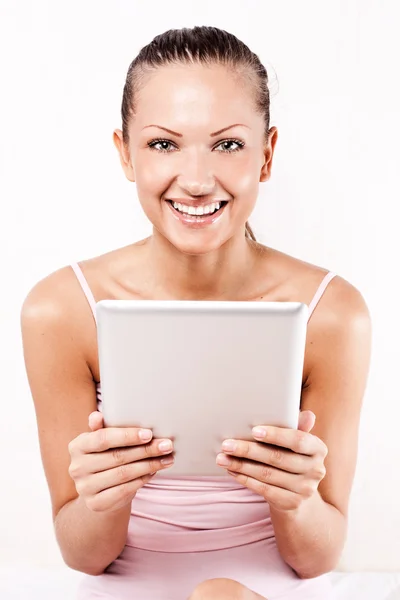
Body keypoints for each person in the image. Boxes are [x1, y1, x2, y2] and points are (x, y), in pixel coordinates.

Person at [21, 25, 371, 600]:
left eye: (228, 144)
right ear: (125, 154)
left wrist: (298, 497)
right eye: (164, 144)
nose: (197, 179)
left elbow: (318, 557)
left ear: (267, 154)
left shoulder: (332, 313)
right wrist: (105, 495)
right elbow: (83, 555)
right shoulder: (63, 309)